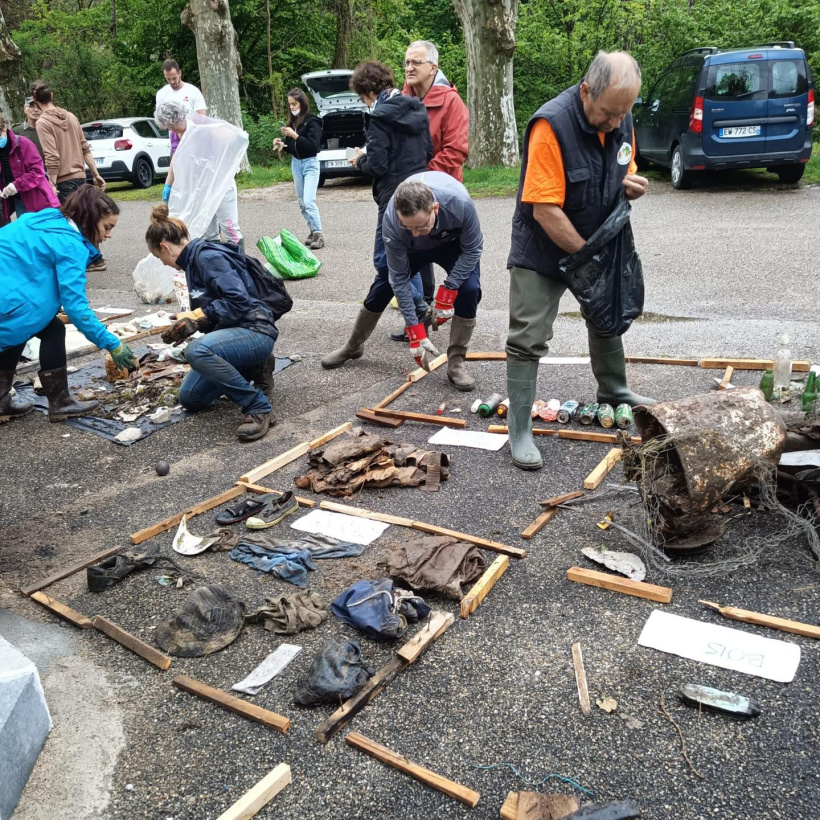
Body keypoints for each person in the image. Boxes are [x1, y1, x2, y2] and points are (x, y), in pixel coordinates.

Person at [505, 50, 655, 471]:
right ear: (586, 90)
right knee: (527, 335)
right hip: (543, 248)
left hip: (597, 237)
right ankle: (519, 429)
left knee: (605, 312)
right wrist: (586, 258)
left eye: (623, 113)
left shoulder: (619, 114)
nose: (615, 122)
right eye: (608, 113)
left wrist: (630, 184)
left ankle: (614, 390)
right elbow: (545, 211)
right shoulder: (551, 125)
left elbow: (622, 165)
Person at [322, 173, 482, 390]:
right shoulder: (393, 219)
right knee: (382, 287)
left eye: (420, 226)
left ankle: (456, 363)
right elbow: (398, 279)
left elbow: (473, 249)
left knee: (470, 290)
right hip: (410, 251)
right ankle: (353, 346)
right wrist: (414, 331)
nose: (416, 233)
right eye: (408, 227)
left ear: (435, 208)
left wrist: (449, 290)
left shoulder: (460, 204)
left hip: (451, 244)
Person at [322, 60, 431, 370]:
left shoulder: (379, 117)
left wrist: (360, 160)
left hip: (394, 200)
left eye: (362, 97)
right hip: (420, 191)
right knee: (397, 264)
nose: (364, 102)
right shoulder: (415, 107)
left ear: (370, 91)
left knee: (384, 262)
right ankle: (355, 344)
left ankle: (420, 308)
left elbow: (378, 166)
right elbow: (428, 151)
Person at [0, 186, 136, 424]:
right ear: (90, 219)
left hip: (7, 295)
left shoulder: (43, 218)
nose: (109, 235)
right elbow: (76, 308)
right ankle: (61, 403)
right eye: (107, 227)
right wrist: (112, 343)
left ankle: (1, 402)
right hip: (7, 303)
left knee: (30, 328)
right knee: (42, 328)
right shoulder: (71, 245)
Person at [145, 205, 278, 442]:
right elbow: (215, 311)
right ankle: (254, 367)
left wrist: (198, 317)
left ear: (164, 247)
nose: (163, 263)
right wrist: (189, 321)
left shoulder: (208, 258)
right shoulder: (191, 263)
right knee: (191, 398)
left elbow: (239, 302)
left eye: (159, 257)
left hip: (255, 331)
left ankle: (258, 408)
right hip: (235, 332)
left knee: (196, 351)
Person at [388, 39, 470, 341]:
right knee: (406, 255)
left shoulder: (451, 102)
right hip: (404, 191)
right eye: (406, 62)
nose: (409, 67)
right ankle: (420, 314)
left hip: (438, 194)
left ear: (433, 67)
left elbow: (456, 151)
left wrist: (421, 182)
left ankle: (452, 315)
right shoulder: (399, 100)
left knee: (441, 250)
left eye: (416, 63)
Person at [31, 82, 108, 271]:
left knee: (71, 221)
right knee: (84, 216)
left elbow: (52, 156)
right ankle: (94, 258)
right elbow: (85, 148)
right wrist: (95, 173)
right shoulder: (72, 117)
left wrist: (52, 182)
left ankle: (93, 259)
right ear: (52, 95)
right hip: (80, 176)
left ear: (34, 100)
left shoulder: (43, 122)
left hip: (64, 179)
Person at [154, 101, 243, 250]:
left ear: (175, 119)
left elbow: (231, 138)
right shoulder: (176, 134)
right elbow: (176, 158)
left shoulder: (202, 126)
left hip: (220, 184)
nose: (170, 129)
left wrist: (226, 165)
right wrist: (168, 184)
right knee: (208, 232)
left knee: (229, 228)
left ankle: (240, 264)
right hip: (200, 188)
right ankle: (216, 265)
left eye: (169, 125)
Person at [273, 88, 324, 249]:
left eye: (294, 104)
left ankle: (319, 234)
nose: (292, 107)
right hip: (296, 163)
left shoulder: (313, 121)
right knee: (301, 203)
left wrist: (294, 136)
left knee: (309, 200)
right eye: (289, 104)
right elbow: (293, 147)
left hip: (310, 163)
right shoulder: (292, 123)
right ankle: (311, 230)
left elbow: (312, 147)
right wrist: (282, 144)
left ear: (302, 103)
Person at [0, 115, 60, 226]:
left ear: (4, 128)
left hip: (37, 199)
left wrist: (16, 185)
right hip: (18, 200)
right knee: (27, 234)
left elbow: (37, 171)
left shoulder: (23, 144)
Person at [155, 59, 207, 155]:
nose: (172, 82)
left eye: (174, 78)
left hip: (194, 140)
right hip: (175, 143)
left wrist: (186, 128)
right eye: (168, 79)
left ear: (180, 73)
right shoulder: (162, 94)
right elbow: (161, 121)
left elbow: (202, 117)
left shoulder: (193, 91)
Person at [12, 96, 46, 161]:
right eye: (31, 106)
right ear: (25, 109)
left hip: (51, 168)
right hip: (29, 170)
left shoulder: (49, 129)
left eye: (39, 107)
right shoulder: (16, 130)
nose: (36, 110)